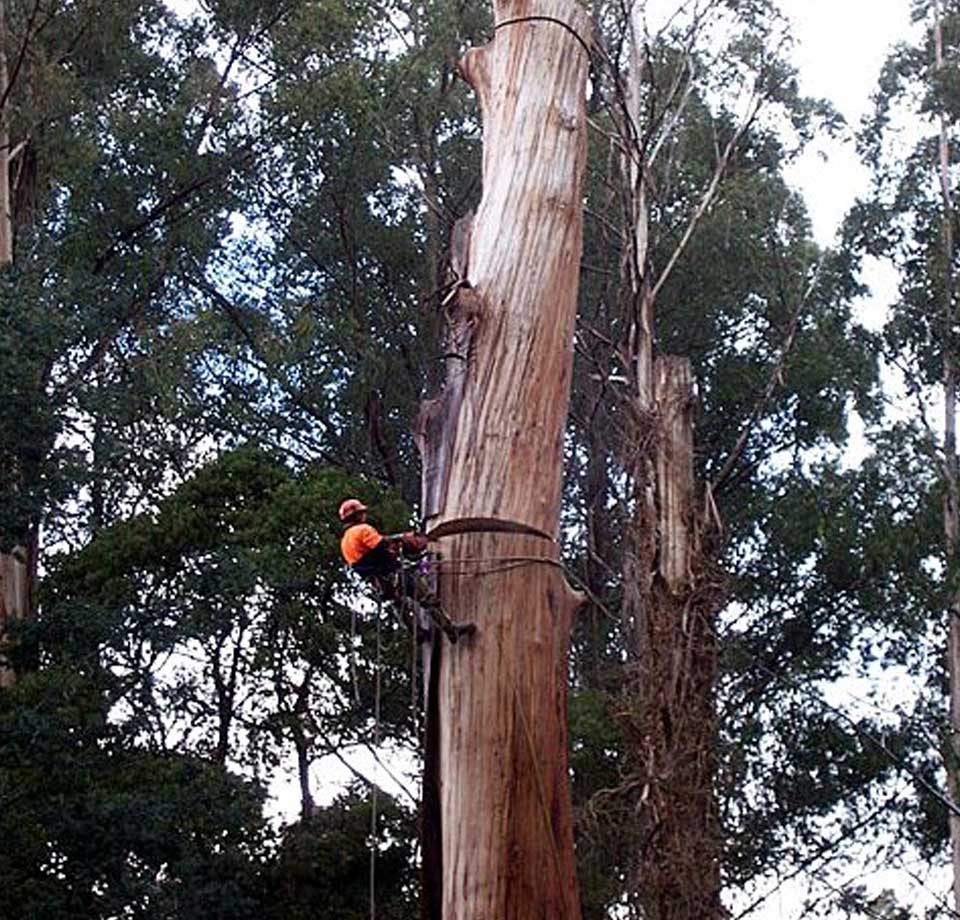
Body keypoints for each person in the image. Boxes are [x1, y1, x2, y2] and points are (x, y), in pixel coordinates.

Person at [338, 499, 475, 643]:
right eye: (362, 513)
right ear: (357, 516)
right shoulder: (362, 530)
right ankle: (451, 631)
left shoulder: (345, 543)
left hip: (380, 584)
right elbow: (382, 547)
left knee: (399, 606)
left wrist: (397, 540)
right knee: (427, 599)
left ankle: (417, 634)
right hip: (395, 575)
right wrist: (402, 543)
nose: (364, 515)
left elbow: (369, 557)